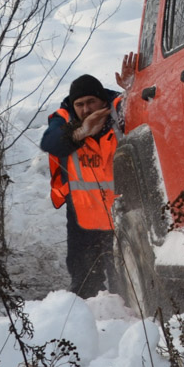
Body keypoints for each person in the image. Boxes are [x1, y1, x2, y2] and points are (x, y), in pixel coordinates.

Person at [40, 55, 136, 298]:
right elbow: (50, 142)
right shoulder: (65, 121)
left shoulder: (120, 112)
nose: (85, 109)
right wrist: (81, 132)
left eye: (91, 102)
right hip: (82, 220)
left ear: (102, 100)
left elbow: (146, 110)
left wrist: (134, 88)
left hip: (122, 217)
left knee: (125, 286)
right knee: (83, 286)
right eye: (80, 104)